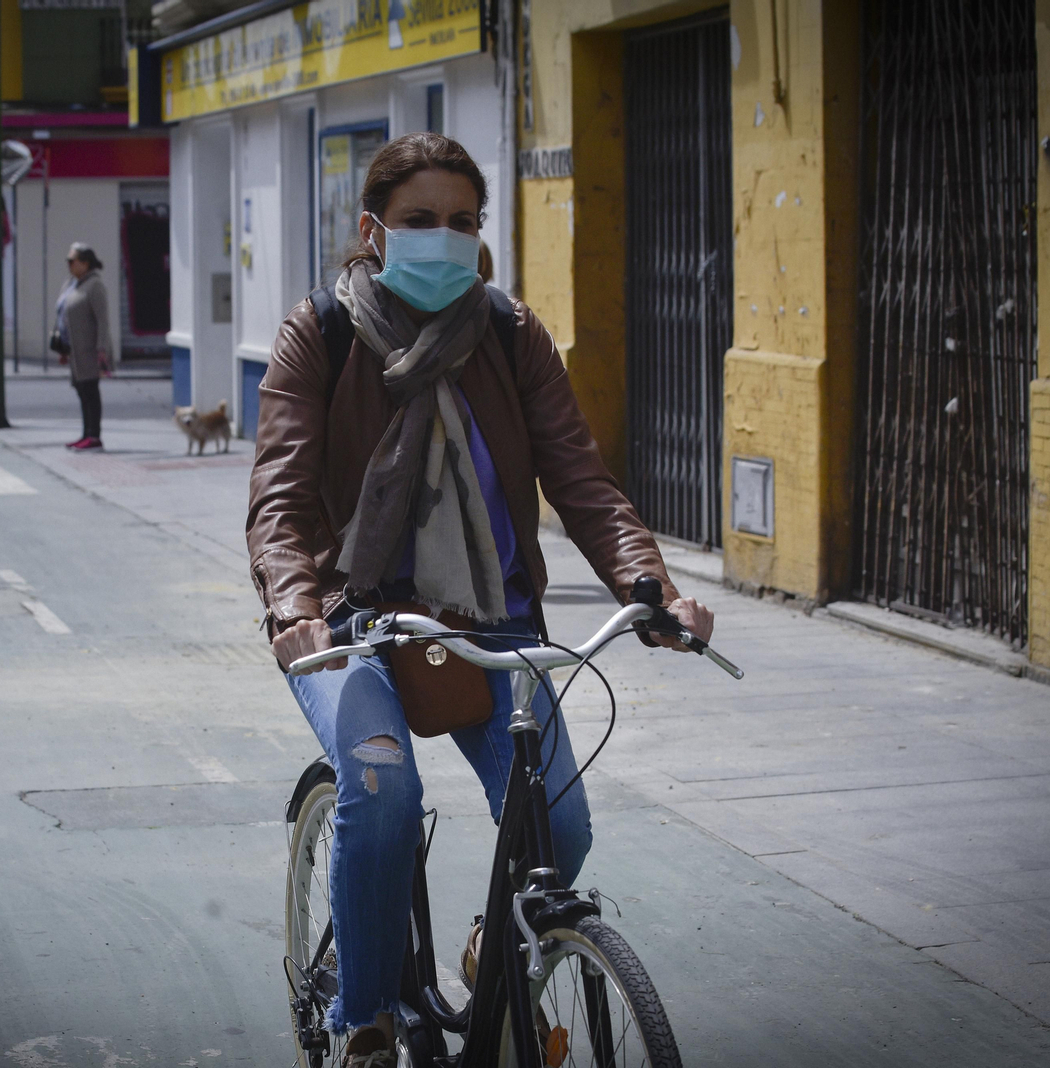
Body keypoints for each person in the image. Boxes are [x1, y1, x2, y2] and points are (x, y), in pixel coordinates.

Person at [246, 132, 714, 1067]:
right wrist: (295, 604)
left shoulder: (509, 333)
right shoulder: (321, 332)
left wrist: (647, 583)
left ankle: (486, 944)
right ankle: (368, 1023)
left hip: (495, 629)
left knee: (562, 827)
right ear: (375, 232)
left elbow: (582, 480)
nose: (444, 238)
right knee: (379, 791)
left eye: (463, 222)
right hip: (353, 626)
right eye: (420, 221)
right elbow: (281, 495)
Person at [55, 243, 114, 451]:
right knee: (81, 390)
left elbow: (103, 321)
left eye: (72, 261)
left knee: (90, 391)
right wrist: (62, 346)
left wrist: (102, 350)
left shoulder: (94, 285)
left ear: (85, 263)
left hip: (89, 350)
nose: (69, 265)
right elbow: (62, 314)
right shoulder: (71, 283)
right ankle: (85, 433)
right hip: (73, 350)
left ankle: (94, 436)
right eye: (68, 261)